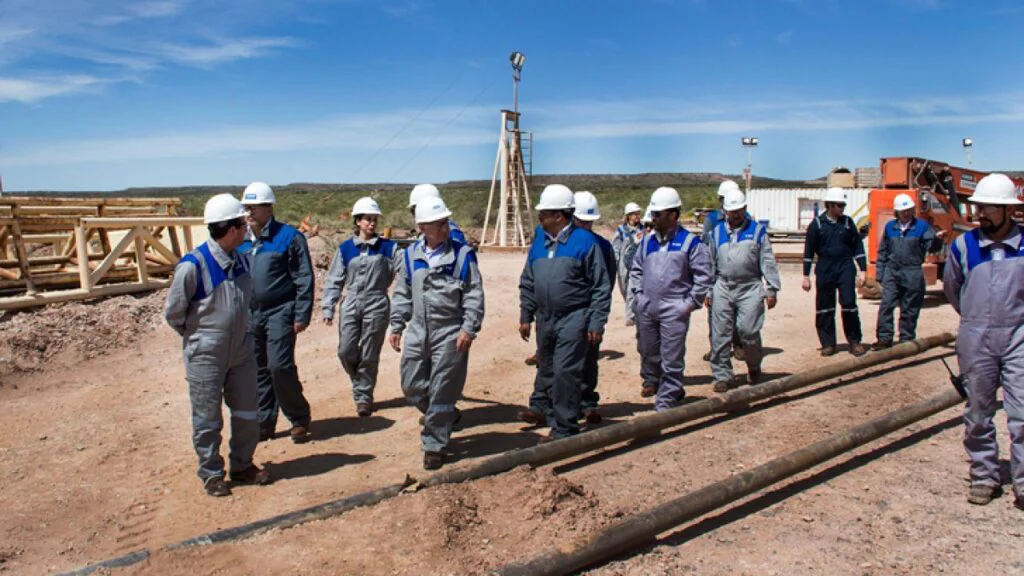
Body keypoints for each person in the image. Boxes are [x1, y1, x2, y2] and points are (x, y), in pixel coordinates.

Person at [164, 194, 271, 497]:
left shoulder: (241, 258)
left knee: (248, 411)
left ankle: (242, 464)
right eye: (242, 223)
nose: (246, 229)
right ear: (232, 228)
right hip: (206, 354)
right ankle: (212, 473)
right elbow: (174, 314)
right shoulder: (193, 266)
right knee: (208, 416)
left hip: (241, 349)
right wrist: (201, 337)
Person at [944, 173, 1024, 508]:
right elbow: (953, 289)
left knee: (1022, 411)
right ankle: (984, 474)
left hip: (1020, 335)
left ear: (1008, 210)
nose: (982, 213)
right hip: (975, 336)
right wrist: (975, 322)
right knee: (978, 409)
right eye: (979, 206)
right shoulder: (963, 246)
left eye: (990, 207)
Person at [389, 198, 484, 470]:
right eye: (439, 223)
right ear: (422, 227)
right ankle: (444, 415)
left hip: (450, 330)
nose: (446, 227)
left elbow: (474, 294)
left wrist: (468, 328)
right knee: (411, 385)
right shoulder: (410, 256)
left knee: (443, 388)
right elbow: (402, 293)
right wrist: (397, 324)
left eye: (445, 222)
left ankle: (434, 445)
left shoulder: (463, 255)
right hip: (419, 329)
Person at [518, 184, 611, 440]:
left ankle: (565, 426)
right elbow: (528, 279)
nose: (540, 217)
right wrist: (526, 314)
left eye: (544, 212)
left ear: (559, 215)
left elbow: (601, 286)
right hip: (545, 317)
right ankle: (545, 412)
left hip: (574, 317)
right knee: (546, 368)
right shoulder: (540, 241)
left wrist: (595, 322)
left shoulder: (586, 242)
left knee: (564, 372)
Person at [239, 182, 315, 444]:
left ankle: (298, 417)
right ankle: (265, 421)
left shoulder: (289, 237)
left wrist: (302, 314)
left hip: (281, 310)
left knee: (279, 365)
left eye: (253, 207)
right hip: (252, 313)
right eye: (246, 207)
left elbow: (303, 277)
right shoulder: (242, 239)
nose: (248, 212)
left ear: (268, 207)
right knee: (259, 369)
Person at [630, 187, 713, 410]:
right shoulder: (647, 242)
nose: (653, 218)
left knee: (671, 357)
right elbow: (636, 270)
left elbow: (704, 276)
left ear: (673, 215)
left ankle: (666, 400)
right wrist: (639, 296)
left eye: (658, 214)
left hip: (674, 308)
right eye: (653, 214)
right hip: (647, 307)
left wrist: (688, 304)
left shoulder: (691, 243)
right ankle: (669, 388)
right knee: (648, 352)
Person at [321, 197, 397, 417]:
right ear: (357, 221)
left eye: (374, 219)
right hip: (351, 301)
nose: (372, 223)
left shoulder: (388, 247)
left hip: (377, 302)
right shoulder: (345, 249)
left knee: (370, 352)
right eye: (367, 219)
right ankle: (359, 380)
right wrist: (328, 307)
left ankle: (363, 396)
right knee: (346, 350)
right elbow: (335, 278)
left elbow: (404, 269)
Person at [707, 189, 781, 393]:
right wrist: (708, 290)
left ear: (745, 209)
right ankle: (722, 375)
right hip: (723, 285)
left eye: (739, 210)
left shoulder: (757, 232)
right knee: (720, 334)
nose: (736, 215)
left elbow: (767, 260)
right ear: (725, 212)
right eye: (732, 212)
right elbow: (710, 263)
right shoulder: (716, 232)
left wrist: (772, 288)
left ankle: (754, 366)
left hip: (750, 287)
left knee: (748, 331)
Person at [801, 187, 868, 357]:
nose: (842, 208)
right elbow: (808, 252)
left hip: (845, 267)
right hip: (825, 268)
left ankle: (854, 341)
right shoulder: (816, 225)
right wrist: (805, 276)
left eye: (843, 205)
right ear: (829, 205)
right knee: (825, 307)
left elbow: (857, 246)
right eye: (839, 205)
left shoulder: (848, 223)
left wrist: (863, 269)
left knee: (849, 304)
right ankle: (828, 343)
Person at [872, 193, 943, 349]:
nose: (907, 213)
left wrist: (937, 240)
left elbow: (932, 248)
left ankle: (906, 340)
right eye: (903, 211)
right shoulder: (890, 227)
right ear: (896, 212)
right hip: (892, 271)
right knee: (886, 305)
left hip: (912, 271)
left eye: (909, 210)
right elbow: (883, 251)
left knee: (910, 307)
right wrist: (879, 274)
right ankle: (884, 339)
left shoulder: (922, 227)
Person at [572, 191, 615, 424]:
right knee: (562, 362)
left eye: (589, 222)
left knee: (589, 359)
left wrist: (598, 316)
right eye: (581, 221)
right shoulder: (562, 244)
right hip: (567, 313)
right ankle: (558, 404)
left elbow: (606, 283)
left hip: (590, 312)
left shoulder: (604, 246)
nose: (586, 226)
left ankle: (587, 402)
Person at [702, 180, 746, 363]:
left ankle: (739, 345)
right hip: (718, 273)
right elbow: (705, 245)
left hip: (740, 273)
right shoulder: (712, 219)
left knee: (738, 312)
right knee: (715, 313)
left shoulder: (747, 217)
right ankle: (717, 348)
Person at [612, 202, 644, 327]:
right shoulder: (621, 231)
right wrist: (614, 263)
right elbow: (615, 248)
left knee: (633, 288)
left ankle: (631, 316)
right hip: (623, 265)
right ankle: (632, 309)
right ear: (628, 216)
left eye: (638, 214)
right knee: (624, 288)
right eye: (634, 214)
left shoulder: (643, 230)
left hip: (638, 264)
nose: (637, 216)